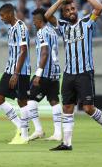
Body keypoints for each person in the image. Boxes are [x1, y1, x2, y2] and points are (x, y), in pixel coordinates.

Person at [45, 0, 102, 151]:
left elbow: (99, 8)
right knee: (67, 108)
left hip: (85, 72)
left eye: (73, 9)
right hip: (69, 73)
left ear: (76, 10)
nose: (71, 12)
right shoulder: (62, 26)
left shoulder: (87, 22)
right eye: (67, 10)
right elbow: (48, 16)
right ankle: (67, 143)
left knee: (88, 108)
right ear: (64, 13)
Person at [0, 3, 31, 145]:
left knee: (22, 101)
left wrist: (16, 73)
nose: (2, 19)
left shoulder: (21, 27)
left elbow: (23, 50)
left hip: (20, 71)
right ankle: (20, 127)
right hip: (9, 70)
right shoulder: (11, 29)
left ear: (10, 13)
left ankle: (25, 135)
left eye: (2, 16)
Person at [27, 8, 62, 142]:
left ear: (39, 20)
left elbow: (45, 52)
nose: (33, 23)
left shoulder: (41, 32)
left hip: (45, 72)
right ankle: (58, 133)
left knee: (29, 99)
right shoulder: (52, 31)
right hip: (55, 72)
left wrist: (38, 74)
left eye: (34, 20)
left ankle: (38, 130)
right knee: (54, 100)